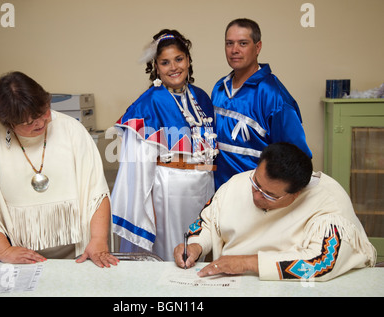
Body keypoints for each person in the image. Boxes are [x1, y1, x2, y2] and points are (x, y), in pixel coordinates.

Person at [0, 71, 119, 267]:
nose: (41, 123)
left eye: (44, 112)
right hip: (15, 259)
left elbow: (97, 191)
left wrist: (98, 240)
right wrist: (4, 251)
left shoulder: (71, 129)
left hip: (78, 256)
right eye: (29, 122)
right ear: (7, 122)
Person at [174, 142, 376, 281]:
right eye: (256, 184)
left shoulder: (328, 200)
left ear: (296, 194)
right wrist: (195, 247)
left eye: (269, 195)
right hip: (233, 284)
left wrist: (247, 263)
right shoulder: (239, 183)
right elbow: (208, 222)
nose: (256, 196)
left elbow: (321, 262)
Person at [111, 29, 218, 261]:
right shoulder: (149, 103)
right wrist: (146, 210)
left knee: (202, 246)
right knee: (174, 254)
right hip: (169, 194)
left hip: (204, 187)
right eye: (165, 62)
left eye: (179, 59)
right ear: (156, 67)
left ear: (188, 60)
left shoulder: (202, 97)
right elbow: (137, 167)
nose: (174, 67)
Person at [212, 18, 312, 189]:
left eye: (243, 43)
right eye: (229, 43)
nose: (234, 50)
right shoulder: (219, 87)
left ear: (257, 47)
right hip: (219, 194)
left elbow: (298, 160)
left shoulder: (275, 97)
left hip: (255, 197)